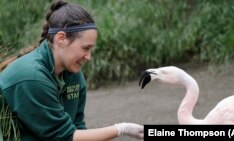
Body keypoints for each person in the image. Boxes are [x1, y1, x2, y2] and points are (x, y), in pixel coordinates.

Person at [0, 0, 144, 140]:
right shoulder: (32, 77)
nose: (89, 57)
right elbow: (64, 136)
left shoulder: (72, 73)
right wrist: (122, 129)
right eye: (85, 48)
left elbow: (77, 126)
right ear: (61, 39)